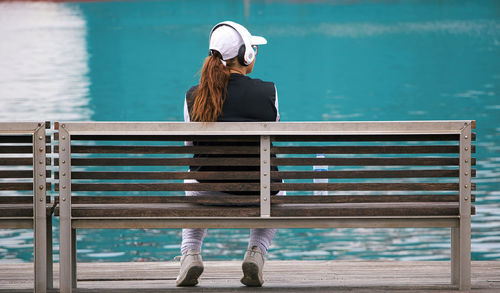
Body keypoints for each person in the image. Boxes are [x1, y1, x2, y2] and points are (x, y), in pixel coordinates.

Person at [177, 21, 281, 287]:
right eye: (254, 49)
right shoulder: (269, 92)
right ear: (246, 55)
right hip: (259, 193)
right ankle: (256, 252)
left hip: (208, 191)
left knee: (191, 178)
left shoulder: (194, 96)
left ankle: (190, 253)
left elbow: (191, 148)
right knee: (278, 187)